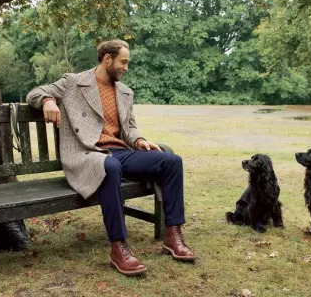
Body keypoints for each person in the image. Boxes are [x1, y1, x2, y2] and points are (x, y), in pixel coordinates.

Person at [26, 39, 195, 276]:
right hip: (88, 154)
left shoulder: (125, 93)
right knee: (110, 166)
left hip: (121, 152)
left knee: (171, 161)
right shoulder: (73, 83)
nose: (126, 68)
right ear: (107, 59)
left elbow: (131, 127)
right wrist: (48, 100)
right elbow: (35, 92)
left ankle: (173, 235)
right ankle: (119, 247)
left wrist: (138, 140)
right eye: (123, 62)